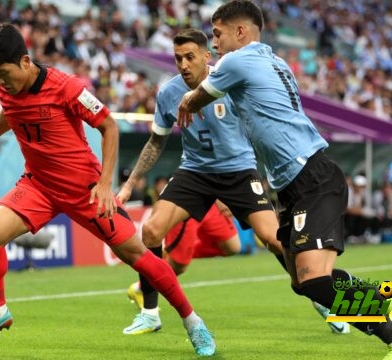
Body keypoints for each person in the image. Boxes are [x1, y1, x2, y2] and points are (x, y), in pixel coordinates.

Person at [177, 2, 392, 359]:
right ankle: (385, 296)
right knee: (301, 281)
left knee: (313, 279)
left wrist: (185, 101)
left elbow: (199, 96)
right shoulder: (274, 62)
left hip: (312, 177)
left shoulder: (237, 61)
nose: (213, 43)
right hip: (296, 184)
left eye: (217, 34)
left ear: (241, 32)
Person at [0, 24, 215, 356]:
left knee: (138, 256)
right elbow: (10, 112)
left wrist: (104, 184)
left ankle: (193, 322)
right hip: (38, 186)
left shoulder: (66, 87)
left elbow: (109, 126)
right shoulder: (5, 88)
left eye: (3, 73)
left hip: (84, 190)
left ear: (25, 62)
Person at [117, 28, 348, 336]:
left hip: (239, 172)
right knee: (150, 230)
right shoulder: (169, 93)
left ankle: (321, 299)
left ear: (206, 57)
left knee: (275, 239)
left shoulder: (231, 84)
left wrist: (261, 182)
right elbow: (156, 142)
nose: (183, 65)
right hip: (195, 172)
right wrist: (131, 183)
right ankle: (149, 312)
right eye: (177, 59)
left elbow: (259, 132)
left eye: (190, 57)